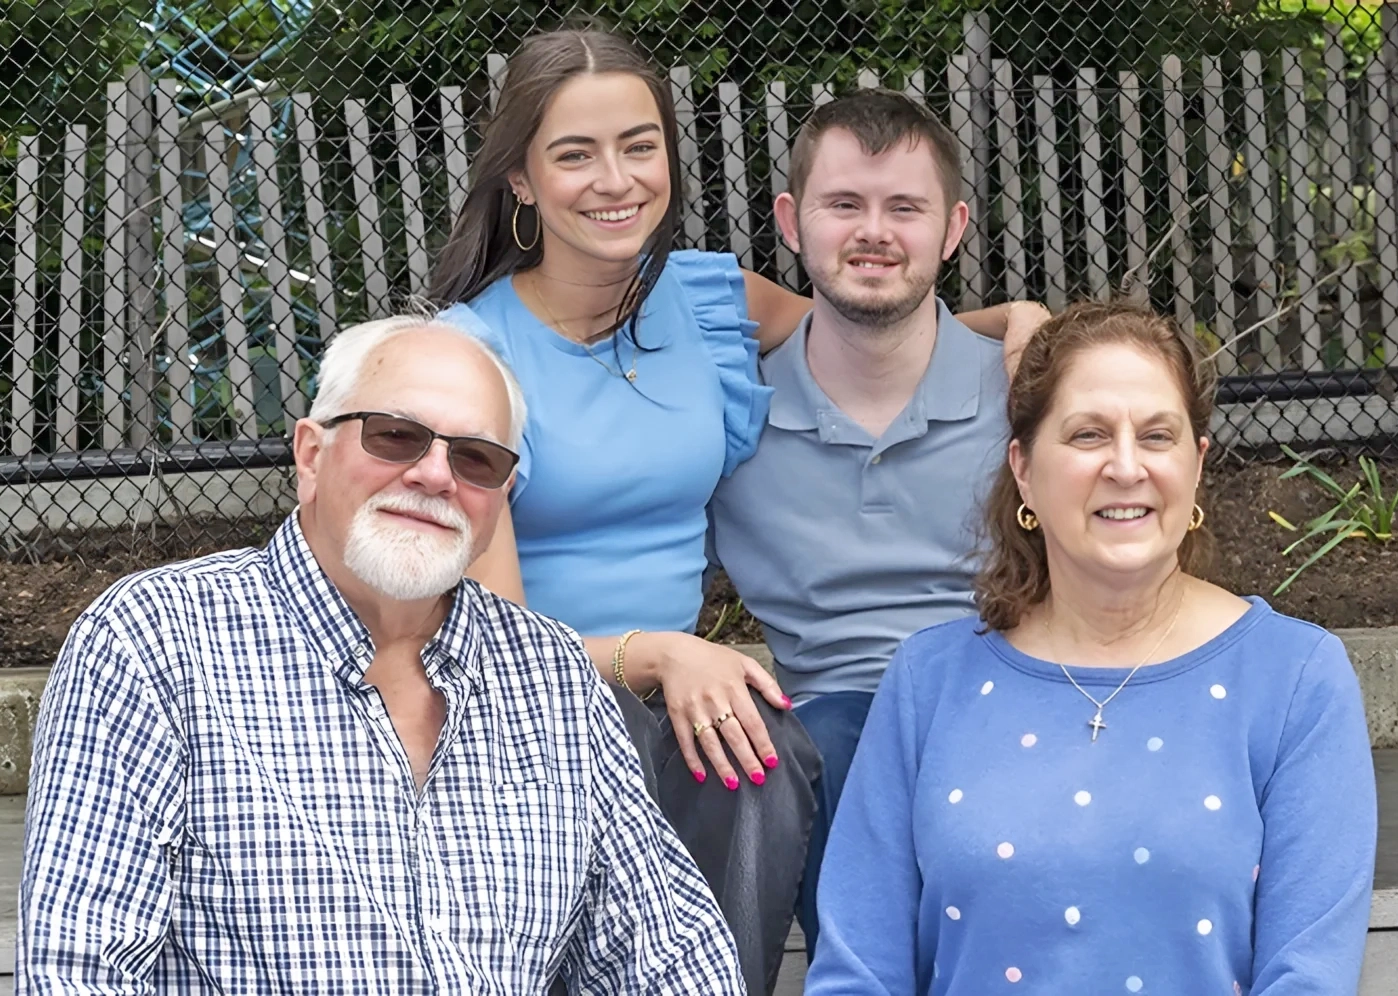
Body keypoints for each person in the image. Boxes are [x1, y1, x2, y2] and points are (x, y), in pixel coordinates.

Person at [429, 26, 1042, 994]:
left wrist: (1020, 327)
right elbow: (488, 638)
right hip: (535, 697)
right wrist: (658, 655)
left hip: (674, 698)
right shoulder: (470, 361)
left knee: (757, 757)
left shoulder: (710, 300)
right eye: (575, 154)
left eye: (638, 146)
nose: (615, 179)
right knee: (763, 745)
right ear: (521, 180)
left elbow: (873, 329)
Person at [17, 315, 746, 995]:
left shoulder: (551, 673)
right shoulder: (153, 642)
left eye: (476, 457)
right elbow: (79, 970)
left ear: (500, 498)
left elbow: (669, 956)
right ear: (310, 455)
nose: (435, 475)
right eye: (395, 436)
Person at [805, 301, 1378, 994]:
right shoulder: (929, 681)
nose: (1127, 467)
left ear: (1196, 464)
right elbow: (859, 969)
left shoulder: (1294, 680)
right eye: (1089, 435)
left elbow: (1308, 977)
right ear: (1023, 468)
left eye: (1157, 435)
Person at [706, 89, 1036, 960]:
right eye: (844, 204)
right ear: (791, 221)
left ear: (953, 229)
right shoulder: (730, 419)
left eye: (905, 208)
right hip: (824, 738)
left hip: (1012, 708)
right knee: (817, 737)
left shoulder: (1025, 396)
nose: (874, 232)